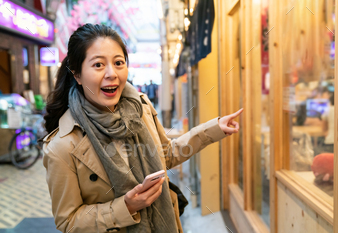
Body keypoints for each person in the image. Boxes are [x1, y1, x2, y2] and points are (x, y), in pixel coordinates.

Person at [42, 24, 243, 233]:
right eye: (98, 65)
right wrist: (125, 207)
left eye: (118, 62)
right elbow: (68, 221)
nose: (112, 73)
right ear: (77, 75)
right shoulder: (61, 146)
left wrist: (213, 129)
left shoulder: (141, 108)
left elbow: (166, 155)